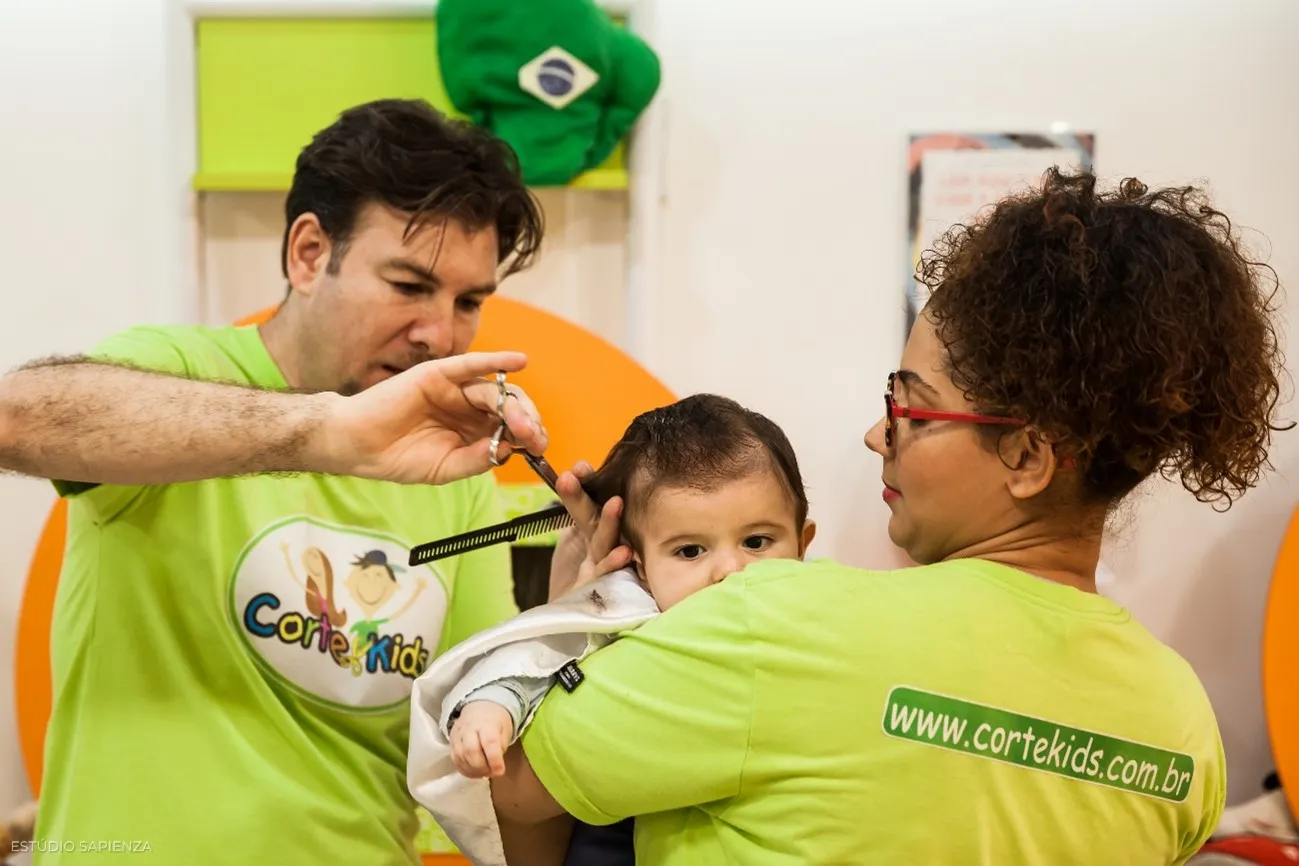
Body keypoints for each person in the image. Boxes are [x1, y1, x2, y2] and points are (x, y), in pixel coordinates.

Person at [488, 168, 1291, 865]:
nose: (879, 434)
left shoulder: (773, 622)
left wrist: (569, 612)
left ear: (1026, 459)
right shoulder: (1182, 722)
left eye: (909, 405)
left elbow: (521, 788)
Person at [26, 98, 550, 866]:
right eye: (409, 285)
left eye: (468, 301)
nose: (441, 334)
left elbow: (472, 719)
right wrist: (323, 431)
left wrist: (573, 616)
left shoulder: (453, 464)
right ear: (308, 253)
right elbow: (24, 417)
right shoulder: (179, 368)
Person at [406, 394, 815, 866]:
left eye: (757, 541)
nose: (730, 570)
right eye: (689, 552)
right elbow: (541, 653)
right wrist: (492, 706)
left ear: (802, 545)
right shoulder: (629, 612)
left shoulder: (816, 627)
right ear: (640, 566)